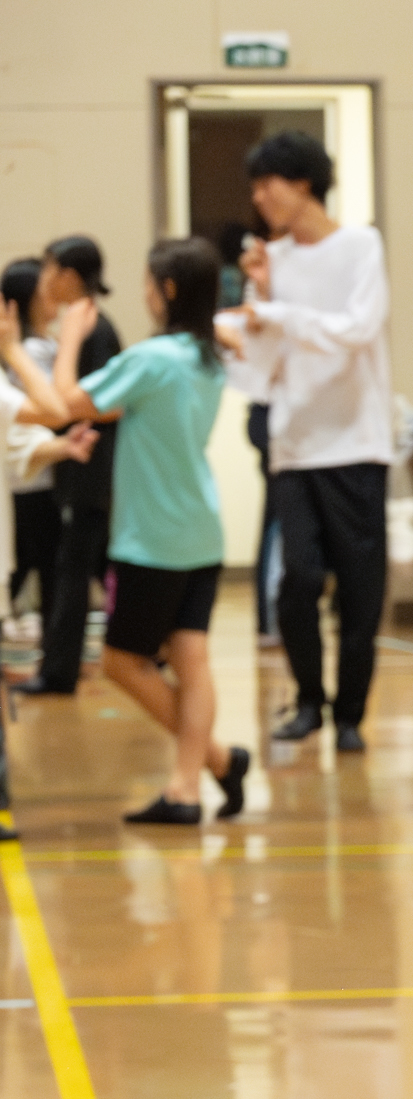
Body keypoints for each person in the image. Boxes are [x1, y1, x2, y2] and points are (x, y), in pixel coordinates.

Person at [2, 240, 252, 825]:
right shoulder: (206, 355)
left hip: (153, 538)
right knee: (191, 661)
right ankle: (195, 779)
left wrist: (66, 343)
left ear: (166, 290)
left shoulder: (154, 358)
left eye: (148, 282)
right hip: (201, 531)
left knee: (120, 663)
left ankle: (206, 767)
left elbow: (65, 405)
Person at [231, 130, 394, 752]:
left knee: (360, 592)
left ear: (303, 182)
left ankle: (350, 715)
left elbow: (358, 330)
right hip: (294, 446)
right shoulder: (271, 265)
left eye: (266, 182)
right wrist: (260, 303)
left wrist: (279, 314)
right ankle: (307, 702)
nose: (258, 196)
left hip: (356, 444)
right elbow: (258, 365)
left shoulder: (360, 246)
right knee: (295, 582)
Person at [15, 236, 120, 697]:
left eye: (51, 269)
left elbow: (91, 402)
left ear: (72, 277)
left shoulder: (93, 329)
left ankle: (59, 673)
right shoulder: (83, 327)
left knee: (74, 571)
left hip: (88, 470)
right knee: (85, 567)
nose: (45, 281)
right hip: (78, 469)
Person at [3, 258, 64, 637]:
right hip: (28, 476)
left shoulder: (41, 345)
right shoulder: (25, 353)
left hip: (41, 473)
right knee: (34, 562)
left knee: (33, 563)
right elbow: (54, 409)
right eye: (46, 286)